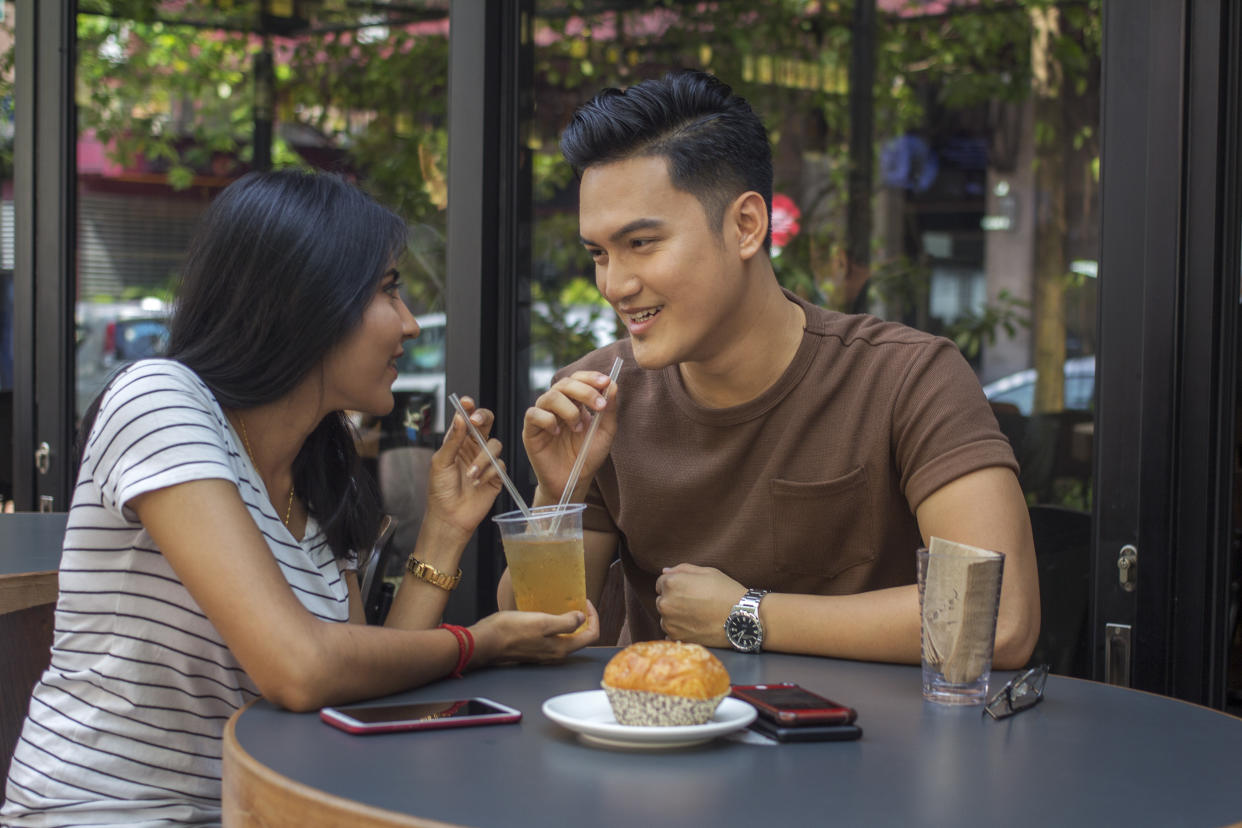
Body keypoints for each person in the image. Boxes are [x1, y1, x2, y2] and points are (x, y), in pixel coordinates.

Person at [2, 169, 597, 827]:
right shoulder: (159, 400)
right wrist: (477, 643)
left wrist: (445, 529)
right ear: (305, 299)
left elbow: (353, 694)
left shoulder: (314, 470)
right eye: (388, 291)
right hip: (100, 814)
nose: (407, 323)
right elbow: (299, 667)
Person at [500, 69, 1039, 668]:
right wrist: (557, 492)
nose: (615, 284)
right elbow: (539, 639)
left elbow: (1001, 615)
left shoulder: (906, 378)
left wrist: (746, 614)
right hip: (663, 743)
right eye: (599, 253)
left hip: (870, 751)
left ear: (746, 226)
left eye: (642, 244)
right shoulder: (596, 398)